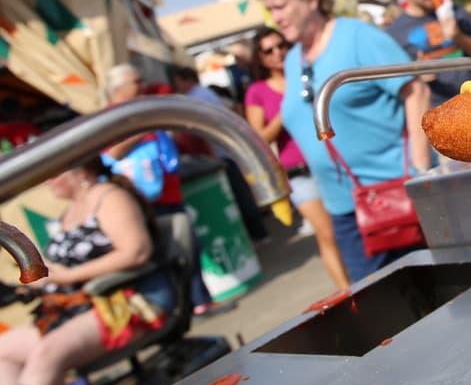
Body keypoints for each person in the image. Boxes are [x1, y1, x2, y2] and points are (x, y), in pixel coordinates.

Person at [256, 0, 429, 282]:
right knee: (382, 304)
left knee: (440, 294)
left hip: (396, 196)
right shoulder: (293, 59)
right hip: (344, 210)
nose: (275, 18)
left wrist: (420, 172)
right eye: (270, 10)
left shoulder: (356, 36)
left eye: (280, 7)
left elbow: (415, 91)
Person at [0, 156, 171, 385]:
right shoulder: (69, 211)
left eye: (53, 173)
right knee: (2, 348)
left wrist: (67, 276)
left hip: (123, 303)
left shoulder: (110, 198)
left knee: (49, 352)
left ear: (78, 170)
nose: (47, 181)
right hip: (73, 308)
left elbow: (137, 251)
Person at [100, 64, 216, 315]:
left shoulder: (144, 107)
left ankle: (200, 301)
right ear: (118, 88)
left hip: (166, 189)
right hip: (143, 197)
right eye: (137, 81)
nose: (143, 86)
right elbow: (112, 152)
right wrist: (144, 129)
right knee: (172, 251)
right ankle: (190, 305)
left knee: (188, 245)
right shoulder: (110, 117)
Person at [244, 28, 349, 289]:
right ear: (260, 58)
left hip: (331, 161)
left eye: (281, 45)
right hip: (298, 172)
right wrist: (285, 112)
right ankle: (348, 291)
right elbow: (258, 138)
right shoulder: (257, 91)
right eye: (269, 50)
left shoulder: (304, 73)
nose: (277, 53)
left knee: (348, 227)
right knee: (328, 234)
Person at [171, 66, 270, 243]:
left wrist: (211, 154)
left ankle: (258, 233)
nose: (177, 85)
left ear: (187, 79)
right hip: (224, 150)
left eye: (178, 81)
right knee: (239, 193)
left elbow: (204, 130)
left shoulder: (196, 98)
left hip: (220, 153)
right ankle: (258, 231)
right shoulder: (203, 94)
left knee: (237, 194)